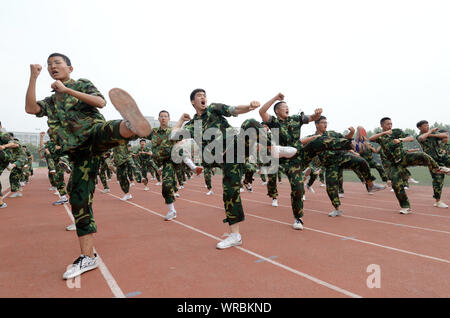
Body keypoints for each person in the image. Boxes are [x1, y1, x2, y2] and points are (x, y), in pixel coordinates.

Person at [25, 53, 151, 280]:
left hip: (92, 133)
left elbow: (100, 102)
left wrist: (68, 90)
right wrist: (33, 77)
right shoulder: (51, 102)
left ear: (70, 68)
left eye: (58, 63)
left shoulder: (81, 84)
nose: (53, 66)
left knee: (107, 131)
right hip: (78, 154)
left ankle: (129, 126)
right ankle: (87, 257)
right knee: (77, 198)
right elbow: (31, 109)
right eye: (49, 65)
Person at [173, 89, 266, 249]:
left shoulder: (214, 109)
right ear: (193, 102)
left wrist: (249, 107)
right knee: (230, 193)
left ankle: (272, 147)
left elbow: (234, 109)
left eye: (204, 95)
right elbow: (174, 135)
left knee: (249, 123)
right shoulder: (193, 125)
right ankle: (235, 236)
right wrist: (181, 120)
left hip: (236, 146)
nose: (203, 98)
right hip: (225, 161)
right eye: (199, 96)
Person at [259, 93, 357, 229]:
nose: (287, 108)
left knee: (318, 140)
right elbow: (262, 111)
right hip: (289, 162)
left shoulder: (295, 119)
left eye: (288, 107)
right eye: (284, 107)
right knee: (298, 188)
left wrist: (316, 114)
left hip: (302, 154)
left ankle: (350, 144)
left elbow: (312, 118)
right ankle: (298, 219)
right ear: (277, 111)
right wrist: (275, 98)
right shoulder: (274, 122)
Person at [302, 116, 385, 217]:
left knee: (361, 161)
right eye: (323, 122)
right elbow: (303, 143)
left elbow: (345, 139)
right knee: (331, 187)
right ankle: (337, 209)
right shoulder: (313, 138)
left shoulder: (332, 133)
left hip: (341, 157)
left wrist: (351, 133)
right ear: (316, 125)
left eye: (326, 122)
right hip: (330, 164)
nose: (325, 124)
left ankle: (370, 185)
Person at [369, 117, 449, 214]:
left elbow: (411, 137)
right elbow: (371, 138)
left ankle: (438, 168)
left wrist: (400, 139)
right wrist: (384, 133)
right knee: (396, 185)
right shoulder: (380, 135)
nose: (390, 126)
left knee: (422, 155)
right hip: (394, 164)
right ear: (382, 125)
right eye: (387, 124)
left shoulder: (396, 132)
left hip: (404, 157)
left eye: (391, 123)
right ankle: (406, 207)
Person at [416, 120, 449, 208]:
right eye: (425, 126)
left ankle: (445, 170)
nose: (427, 127)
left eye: (428, 125)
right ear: (420, 128)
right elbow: (421, 138)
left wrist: (431, 134)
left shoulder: (432, 134)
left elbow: (445, 135)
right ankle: (438, 201)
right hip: (432, 161)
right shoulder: (419, 136)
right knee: (438, 180)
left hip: (442, 157)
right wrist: (430, 132)